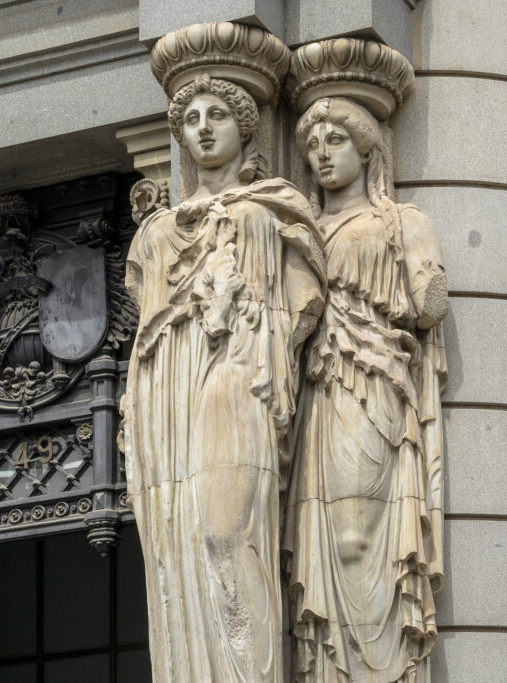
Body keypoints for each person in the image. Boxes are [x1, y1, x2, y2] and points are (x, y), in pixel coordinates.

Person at [119, 73, 325, 681]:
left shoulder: (271, 209)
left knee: (228, 531)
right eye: (192, 118)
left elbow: (298, 309)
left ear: (246, 126)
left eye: (218, 114)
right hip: (167, 390)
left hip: (242, 373)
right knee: (175, 546)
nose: (204, 127)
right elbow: (146, 324)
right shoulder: (155, 233)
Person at [284, 97, 447, 682]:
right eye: (311, 146)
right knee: (326, 533)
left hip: (375, 385)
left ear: (367, 147)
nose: (321, 155)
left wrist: (423, 279)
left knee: (360, 531)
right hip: (318, 395)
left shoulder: (401, 222)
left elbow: (430, 306)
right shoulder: (299, 228)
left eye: (334, 141)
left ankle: (385, 668)